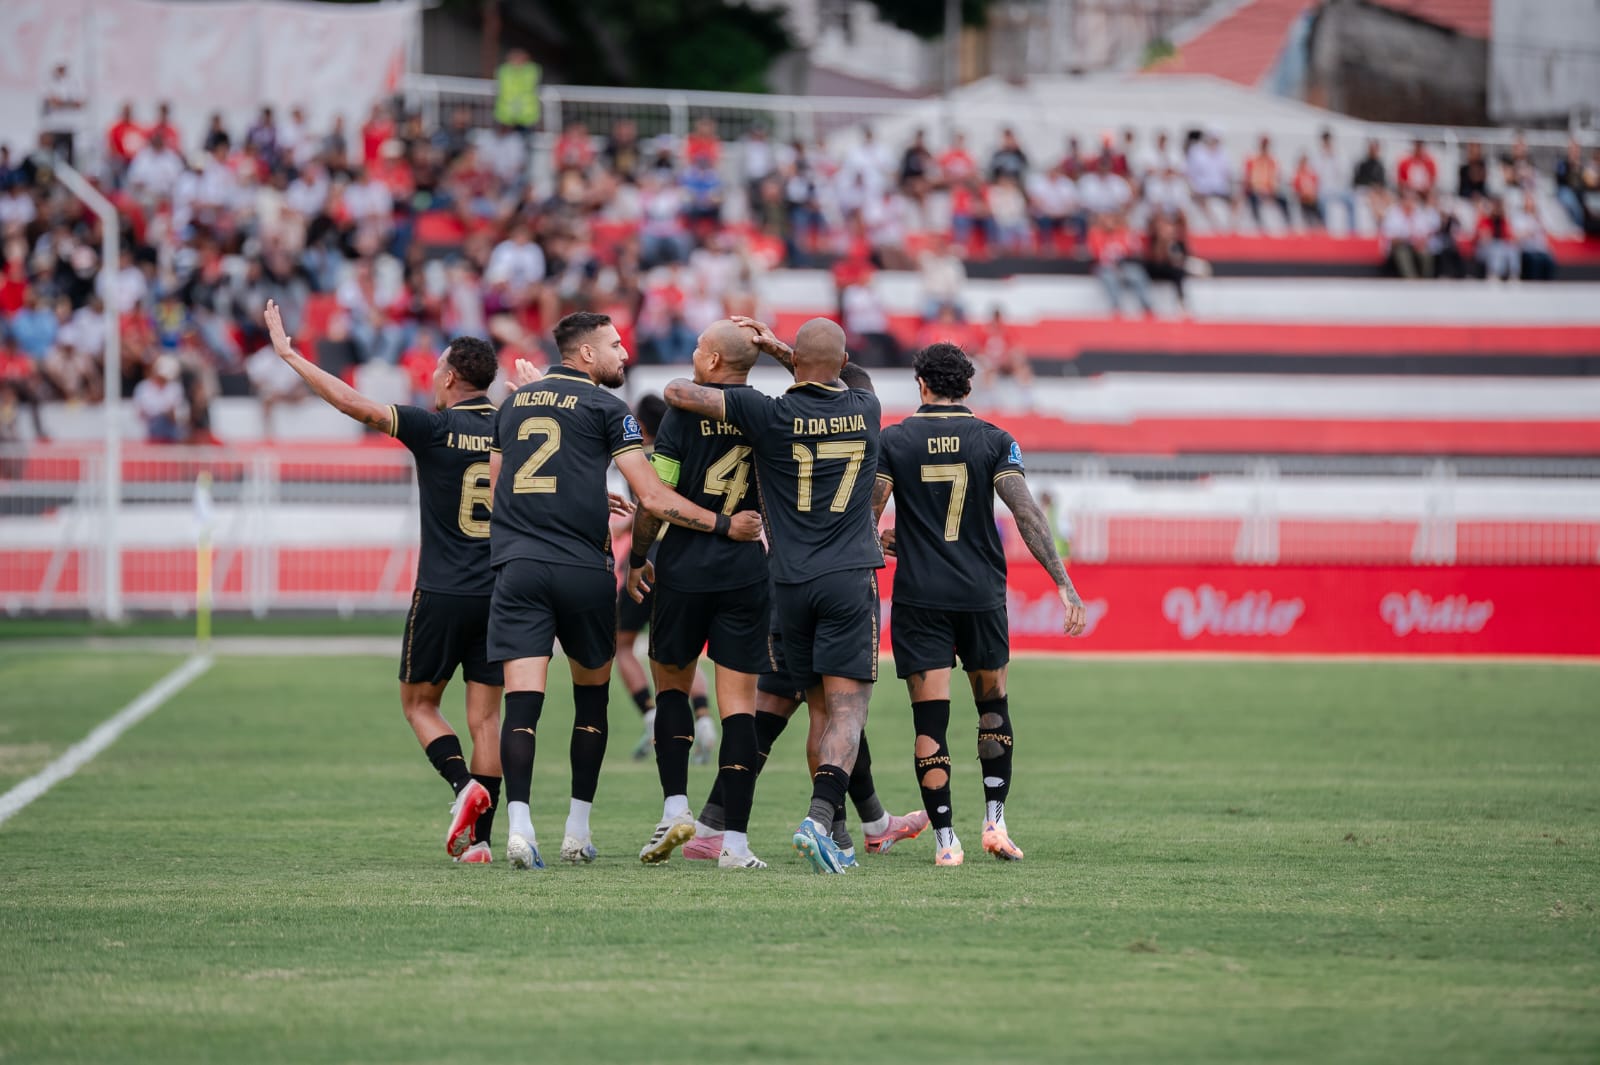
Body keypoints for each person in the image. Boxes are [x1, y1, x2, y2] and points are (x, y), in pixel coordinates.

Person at [488, 311, 762, 871]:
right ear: (587, 354)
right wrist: (722, 525)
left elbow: (503, 491)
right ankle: (579, 832)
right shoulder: (612, 408)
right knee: (597, 698)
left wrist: (622, 538)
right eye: (615, 345)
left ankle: (520, 828)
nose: (625, 353)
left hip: (521, 569)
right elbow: (653, 498)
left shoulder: (512, 406)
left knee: (522, 703)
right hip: (592, 570)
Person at [263, 300, 517, 864]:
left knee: (419, 704)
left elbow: (354, 405)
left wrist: (291, 357)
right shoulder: (510, 427)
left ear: (449, 377)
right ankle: (480, 843)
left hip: (442, 590)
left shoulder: (435, 427)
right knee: (487, 719)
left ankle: (462, 787)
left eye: (437, 366)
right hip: (499, 593)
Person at [664, 317, 883, 874]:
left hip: (786, 584)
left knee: (801, 704)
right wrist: (783, 351)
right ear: (839, 363)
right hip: (848, 576)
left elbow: (678, 392)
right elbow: (848, 373)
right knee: (843, 713)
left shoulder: (769, 412)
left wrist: (751, 352)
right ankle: (820, 820)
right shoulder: (866, 406)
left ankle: (819, 831)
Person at [873, 343, 1089, 865]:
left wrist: (887, 543)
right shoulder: (995, 440)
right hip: (980, 595)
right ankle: (995, 822)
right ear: (968, 387)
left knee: (930, 723)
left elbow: (867, 516)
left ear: (921, 384)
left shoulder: (893, 440)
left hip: (920, 598)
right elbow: (1026, 513)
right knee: (993, 708)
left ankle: (946, 842)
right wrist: (1063, 583)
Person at [610, 395, 716, 763]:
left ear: (640, 426)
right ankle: (704, 719)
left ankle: (651, 716)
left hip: (647, 559)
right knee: (682, 651)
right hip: (683, 560)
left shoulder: (636, 460)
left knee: (622, 644)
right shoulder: (685, 453)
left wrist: (622, 529)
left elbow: (646, 508)